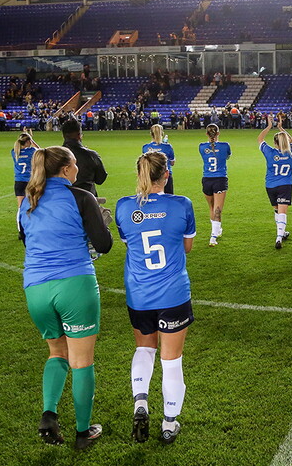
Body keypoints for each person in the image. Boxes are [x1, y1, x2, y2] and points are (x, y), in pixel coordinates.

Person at [19, 146, 112, 450]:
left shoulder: (28, 202)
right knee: (81, 361)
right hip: (74, 285)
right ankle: (83, 434)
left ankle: (49, 415)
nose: (77, 170)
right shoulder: (81, 197)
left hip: (35, 288)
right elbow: (104, 244)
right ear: (65, 169)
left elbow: (28, 240)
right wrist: (101, 224)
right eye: (73, 165)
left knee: (56, 353)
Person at [115, 152, 196, 445]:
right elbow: (187, 247)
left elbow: (130, 242)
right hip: (173, 292)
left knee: (145, 350)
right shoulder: (181, 204)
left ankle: (140, 404)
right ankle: (168, 424)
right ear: (166, 175)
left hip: (139, 294)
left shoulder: (124, 207)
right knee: (171, 361)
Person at [257, 115, 292, 249]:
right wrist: (281, 127)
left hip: (270, 185)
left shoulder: (270, 152)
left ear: (275, 143)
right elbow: (291, 140)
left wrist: (269, 126)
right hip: (285, 184)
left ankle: (282, 233)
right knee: (283, 212)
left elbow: (260, 139)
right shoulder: (291, 153)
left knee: (277, 211)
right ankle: (279, 237)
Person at [200, 123, 231, 246]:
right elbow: (227, 156)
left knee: (211, 207)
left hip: (206, 179)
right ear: (218, 133)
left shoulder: (201, 147)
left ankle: (217, 230)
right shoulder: (225, 145)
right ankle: (213, 237)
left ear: (207, 134)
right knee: (218, 209)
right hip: (220, 179)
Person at [62, 119, 108, 197]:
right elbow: (100, 179)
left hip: (64, 199)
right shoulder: (91, 155)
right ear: (79, 135)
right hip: (88, 199)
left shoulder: (55, 155)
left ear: (63, 135)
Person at [12, 131, 40, 239]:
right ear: (28, 142)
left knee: (20, 207)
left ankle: (20, 230)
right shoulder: (32, 151)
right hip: (30, 181)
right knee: (33, 204)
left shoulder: (14, 152)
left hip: (19, 182)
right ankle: (33, 227)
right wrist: (32, 140)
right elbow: (41, 150)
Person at [143, 124, 176, 194]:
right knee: (168, 200)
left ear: (151, 134)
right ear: (162, 133)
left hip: (150, 176)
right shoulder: (168, 146)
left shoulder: (145, 148)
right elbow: (172, 163)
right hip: (165, 176)